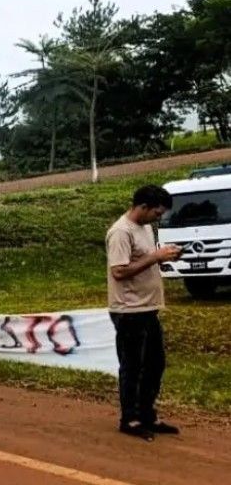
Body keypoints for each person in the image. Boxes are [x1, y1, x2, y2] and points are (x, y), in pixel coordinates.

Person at [106, 185, 182, 441]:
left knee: (155, 364)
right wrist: (154, 258)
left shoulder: (146, 228)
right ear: (143, 207)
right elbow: (119, 271)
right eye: (157, 212)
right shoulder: (120, 232)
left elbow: (145, 259)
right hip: (129, 310)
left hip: (148, 308)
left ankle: (148, 413)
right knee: (132, 366)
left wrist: (163, 257)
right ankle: (130, 418)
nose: (158, 217)